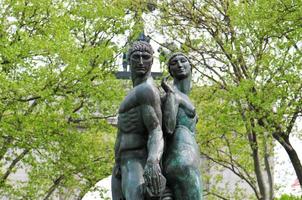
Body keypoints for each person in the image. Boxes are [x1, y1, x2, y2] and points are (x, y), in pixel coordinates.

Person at [112, 41, 165, 200]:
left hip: (136, 160)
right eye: (136, 57)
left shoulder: (146, 90)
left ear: (152, 61)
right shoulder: (136, 90)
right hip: (121, 163)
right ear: (129, 60)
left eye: (146, 57)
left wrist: (153, 160)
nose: (141, 62)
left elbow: (156, 130)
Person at [161, 52, 203, 200]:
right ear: (170, 71)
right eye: (174, 63)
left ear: (191, 66)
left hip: (188, 158)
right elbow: (168, 127)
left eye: (183, 61)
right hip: (182, 160)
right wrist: (171, 95)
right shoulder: (173, 94)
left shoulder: (185, 96)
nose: (179, 64)